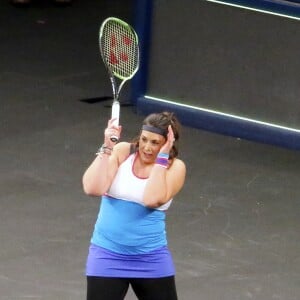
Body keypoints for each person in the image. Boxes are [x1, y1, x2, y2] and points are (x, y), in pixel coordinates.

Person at [82, 111, 186, 300]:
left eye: (155, 143)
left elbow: (152, 199)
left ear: (167, 143)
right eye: (144, 139)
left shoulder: (175, 167)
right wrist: (107, 147)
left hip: (151, 260)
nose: (146, 147)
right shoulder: (123, 151)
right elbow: (92, 188)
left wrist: (161, 159)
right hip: (107, 256)